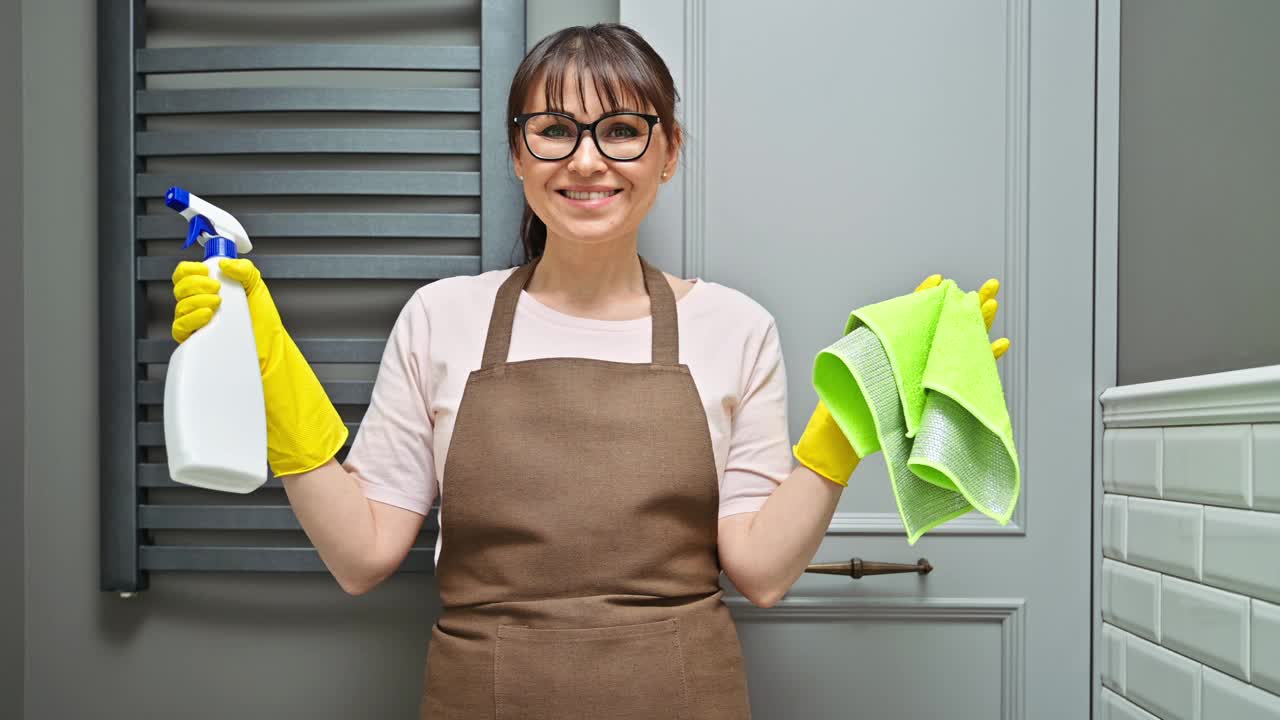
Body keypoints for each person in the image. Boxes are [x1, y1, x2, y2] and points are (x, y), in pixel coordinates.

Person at [169, 23, 1006, 719]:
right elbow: (361, 556)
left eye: (621, 130)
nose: (586, 160)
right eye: (554, 130)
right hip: (480, 697)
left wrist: (842, 434)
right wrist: (266, 364)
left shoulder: (734, 327)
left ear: (668, 150)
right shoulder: (442, 317)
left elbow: (760, 572)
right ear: (518, 152)